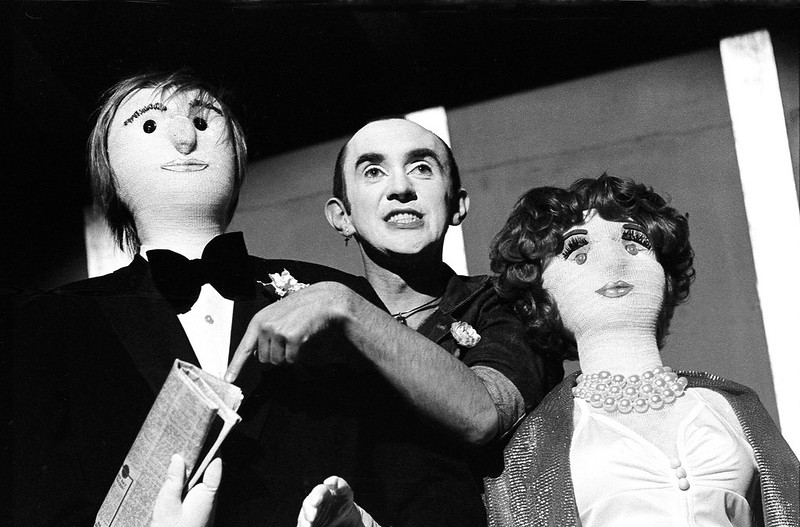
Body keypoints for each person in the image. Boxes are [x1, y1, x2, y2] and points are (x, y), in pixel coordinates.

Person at [12, 70, 378, 527]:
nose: (185, 138)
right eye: (149, 125)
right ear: (108, 172)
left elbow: (408, 473)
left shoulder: (338, 298)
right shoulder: (49, 323)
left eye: (203, 122)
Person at [225, 118, 563, 526]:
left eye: (422, 168)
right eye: (373, 171)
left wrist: (345, 307)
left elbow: (483, 416)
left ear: (457, 205)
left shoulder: (505, 302)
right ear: (342, 216)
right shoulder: (308, 321)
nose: (401, 187)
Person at [480, 174, 799, 526]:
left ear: (665, 274)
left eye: (634, 245)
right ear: (539, 289)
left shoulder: (732, 409)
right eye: (579, 254)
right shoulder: (534, 446)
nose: (614, 264)